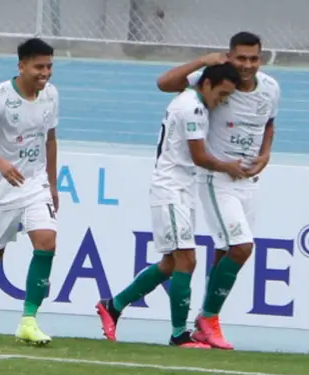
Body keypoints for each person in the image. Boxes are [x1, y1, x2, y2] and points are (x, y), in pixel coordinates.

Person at [96, 63, 246, 348]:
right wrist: (229, 167)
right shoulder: (191, 107)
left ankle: (113, 306)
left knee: (169, 264)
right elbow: (200, 156)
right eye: (221, 94)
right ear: (206, 85)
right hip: (172, 189)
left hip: (182, 189)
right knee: (186, 260)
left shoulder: (193, 99)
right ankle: (179, 335)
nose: (222, 101)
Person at [153, 32, 280, 350]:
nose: (247, 65)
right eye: (241, 58)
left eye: (253, 59)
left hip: (248, 181)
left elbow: (268, 123)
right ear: (228, 56)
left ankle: (205, 324)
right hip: (217, 179)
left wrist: (265, 154)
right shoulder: (214, 79)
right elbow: (166, 83)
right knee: (242, 247)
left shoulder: (271, 88)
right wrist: (203, 61)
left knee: (226, 253)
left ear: (260, 59)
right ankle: (207, 319)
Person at [0, 37, 60, 346]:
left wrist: (53, 182)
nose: (45, 72)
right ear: (21, 66)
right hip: (1, 189)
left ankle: (28, 320)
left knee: (46, 241)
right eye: (38, 66)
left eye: (49, 66)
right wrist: (3, 165)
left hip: (36, 185)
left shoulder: (51, 96)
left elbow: (50, 139)